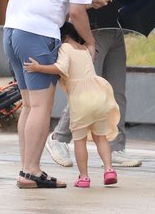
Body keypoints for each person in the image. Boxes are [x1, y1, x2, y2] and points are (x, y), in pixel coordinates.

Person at [3, 0, 105, 189]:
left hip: (12, 29)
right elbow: (75, 12)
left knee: (29, 105)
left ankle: (26, 169)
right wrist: (90, 42)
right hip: (38, 34)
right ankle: (31, 171)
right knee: (41, 107)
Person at [44, 0, 143, 168]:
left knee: (116, 91)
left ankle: (115, 146)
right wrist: (88, 40)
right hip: (91, 29)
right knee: (87, 89)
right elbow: (72, 3)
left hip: (116, 28)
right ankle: (59, 138)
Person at [24, 22, 120, 188]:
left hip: (81, 100)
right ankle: (109, 170)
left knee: (80, 140)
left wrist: (38, 67)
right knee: (100, 137)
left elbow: (60, 67)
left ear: (63, 36)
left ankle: (84, 177)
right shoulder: (85, 49)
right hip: (99, 96)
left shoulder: (65, 48)